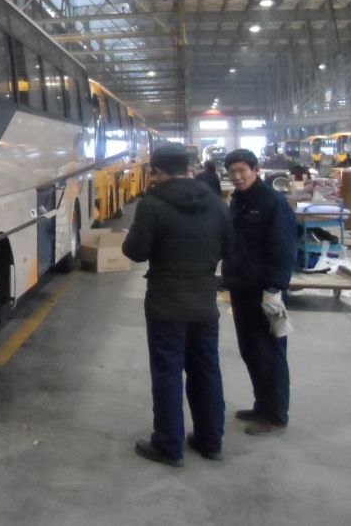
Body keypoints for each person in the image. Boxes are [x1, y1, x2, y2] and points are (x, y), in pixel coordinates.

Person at [123, 143, 233, 467]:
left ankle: (169, 445)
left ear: (156, 171)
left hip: (166, 303)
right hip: (204, 302)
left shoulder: (153, 204)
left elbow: (136, 251)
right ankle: (211, 441)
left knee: (168, 373)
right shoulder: (215, 202)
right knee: (207, 370)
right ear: (187, 167)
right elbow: (230, 246)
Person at [222, 148, 296, 436]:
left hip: (265, 292)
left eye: (242, 171)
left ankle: (276, 415)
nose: (237, 177)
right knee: (251, 350)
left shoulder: (273, 203)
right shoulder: (238, 201)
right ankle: (261, 404)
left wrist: (275, 289)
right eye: (232, 173)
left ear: (255, 170)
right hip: (242, 289)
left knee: (270, 353)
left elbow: (284, 250)